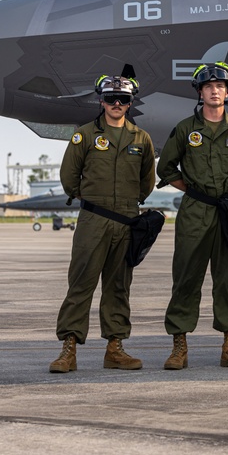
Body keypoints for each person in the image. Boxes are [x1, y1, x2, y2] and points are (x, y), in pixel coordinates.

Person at [157, 62, 228, 370]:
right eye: (208, 86)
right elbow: (166, 168)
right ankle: (179, 347)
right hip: (195, 213)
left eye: (220, 86)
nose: (214, 91)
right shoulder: (186, 129)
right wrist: (191, 188)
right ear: (200, 93)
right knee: (186, 278)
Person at [49, 75, 155, 373]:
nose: (117, 104)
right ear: (101, 101)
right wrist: (91, 197)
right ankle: (68, 349)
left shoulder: (141, 138)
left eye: (122, 99)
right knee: (81, 284)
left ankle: (115, 348)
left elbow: (147, 182)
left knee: (119, 287)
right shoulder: (84, 135)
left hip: (127, 221)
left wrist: (126, 203)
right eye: (111, 99)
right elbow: (69, 177)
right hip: (93, 219)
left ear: (131, 102)